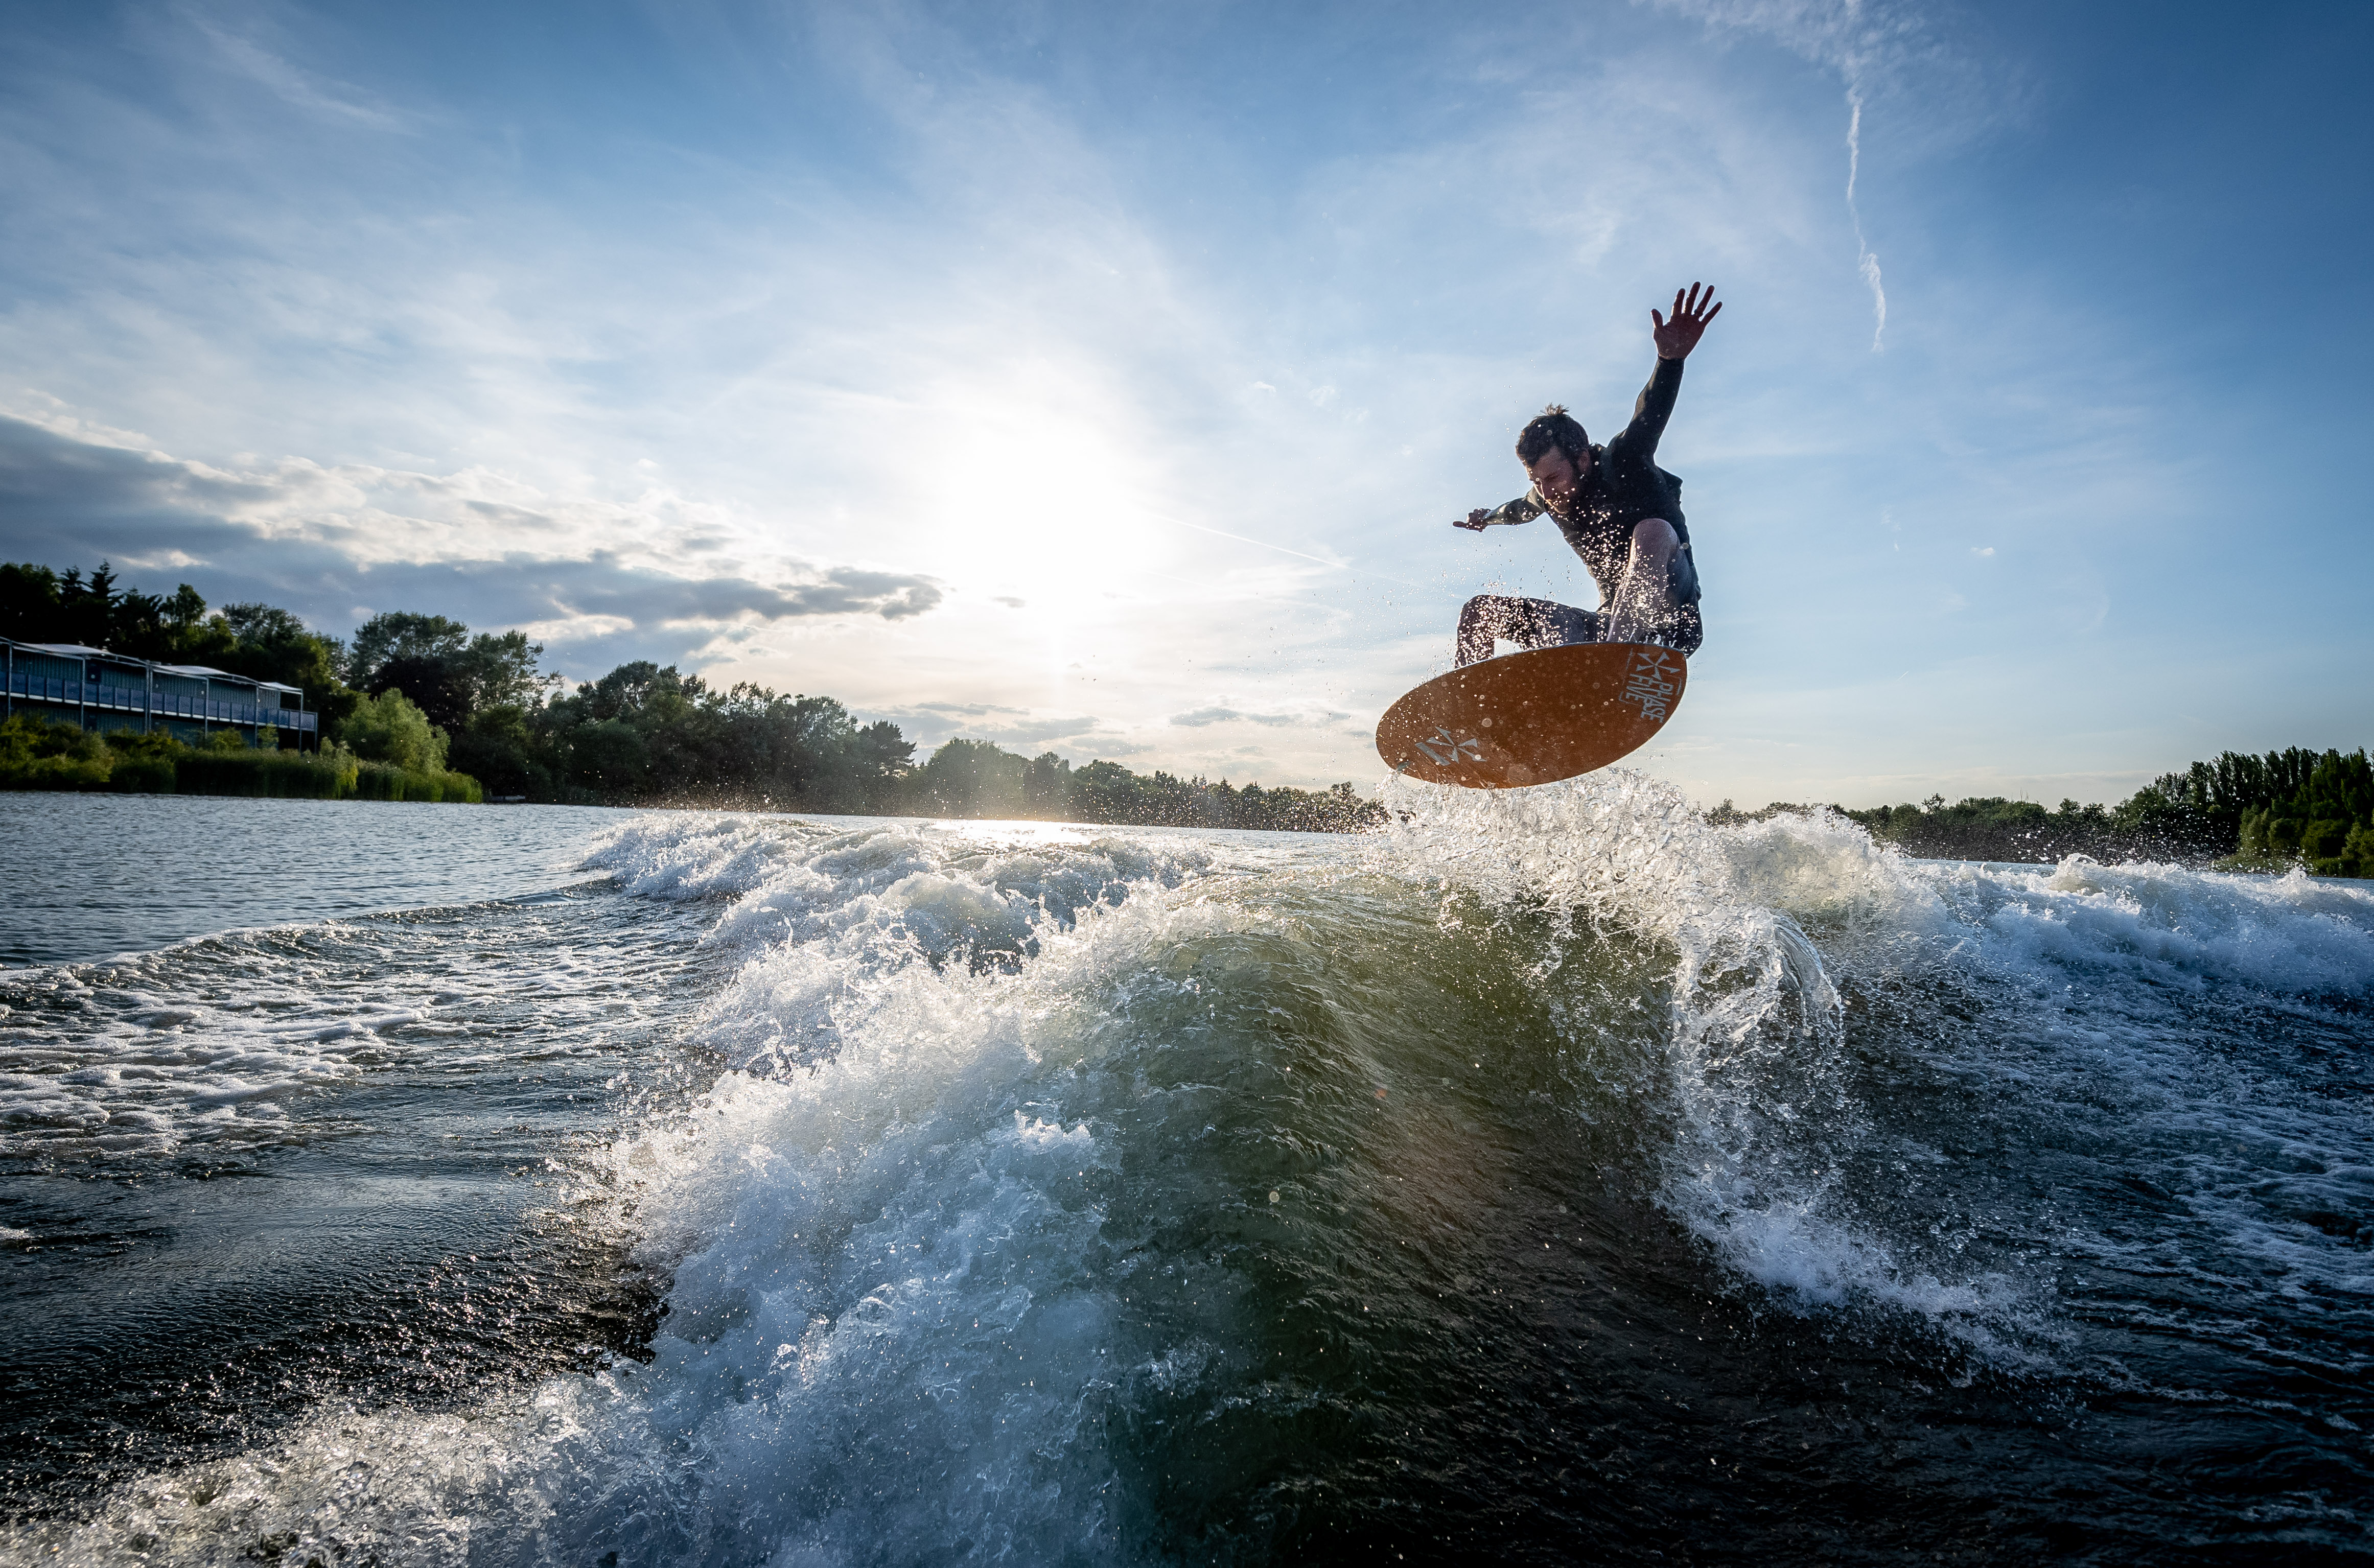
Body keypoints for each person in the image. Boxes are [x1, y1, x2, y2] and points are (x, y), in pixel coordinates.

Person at [1451, 282, 1721, 665]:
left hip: (1671, 622)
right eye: (1537, 483)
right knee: (1481, 611)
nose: (1546, 492)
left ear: (1581, 460)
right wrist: (1488, 519)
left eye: (1553, 478)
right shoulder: (1548, 496)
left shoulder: (1625, 461)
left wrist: (1670, 361)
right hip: (1608, 629)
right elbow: (1519, 509)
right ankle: (1467, 716)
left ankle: (1613, 662)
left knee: (1653, 531)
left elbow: (1648, 416)